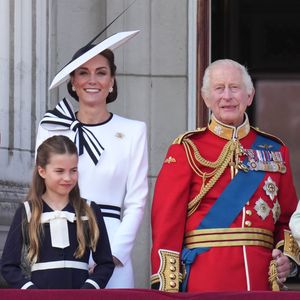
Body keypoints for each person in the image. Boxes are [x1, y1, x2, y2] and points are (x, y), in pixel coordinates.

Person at [150, 59, 299, 292]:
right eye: (219, 88)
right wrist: (168, 287)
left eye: (235, 88)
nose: (227, 96)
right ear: (206, 98)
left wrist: (287, 260)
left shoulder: (276, 151)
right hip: (205, 277)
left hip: (260, 280)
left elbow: (288, 219)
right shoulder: (186, 149)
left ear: (249, 97)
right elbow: (166, 224)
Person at [35, 31, 148, 288]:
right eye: (83, 72)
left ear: (112, 81)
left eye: (101, 72)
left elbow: (137, 200)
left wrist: (114, 253)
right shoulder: (52, 127)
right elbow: (40, 189)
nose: (92, 80)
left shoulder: (133, 131)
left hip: (112, 245)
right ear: (73, 82)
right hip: (60, 242)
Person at [1, 135, 114, 289]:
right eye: (59, 171)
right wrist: (31, 291)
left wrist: (89, 289)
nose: (67, 178)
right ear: (42, 171)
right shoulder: (27, 211)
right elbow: (8, 266)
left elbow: (106, 263)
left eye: (73, 170)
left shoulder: (90, 210)